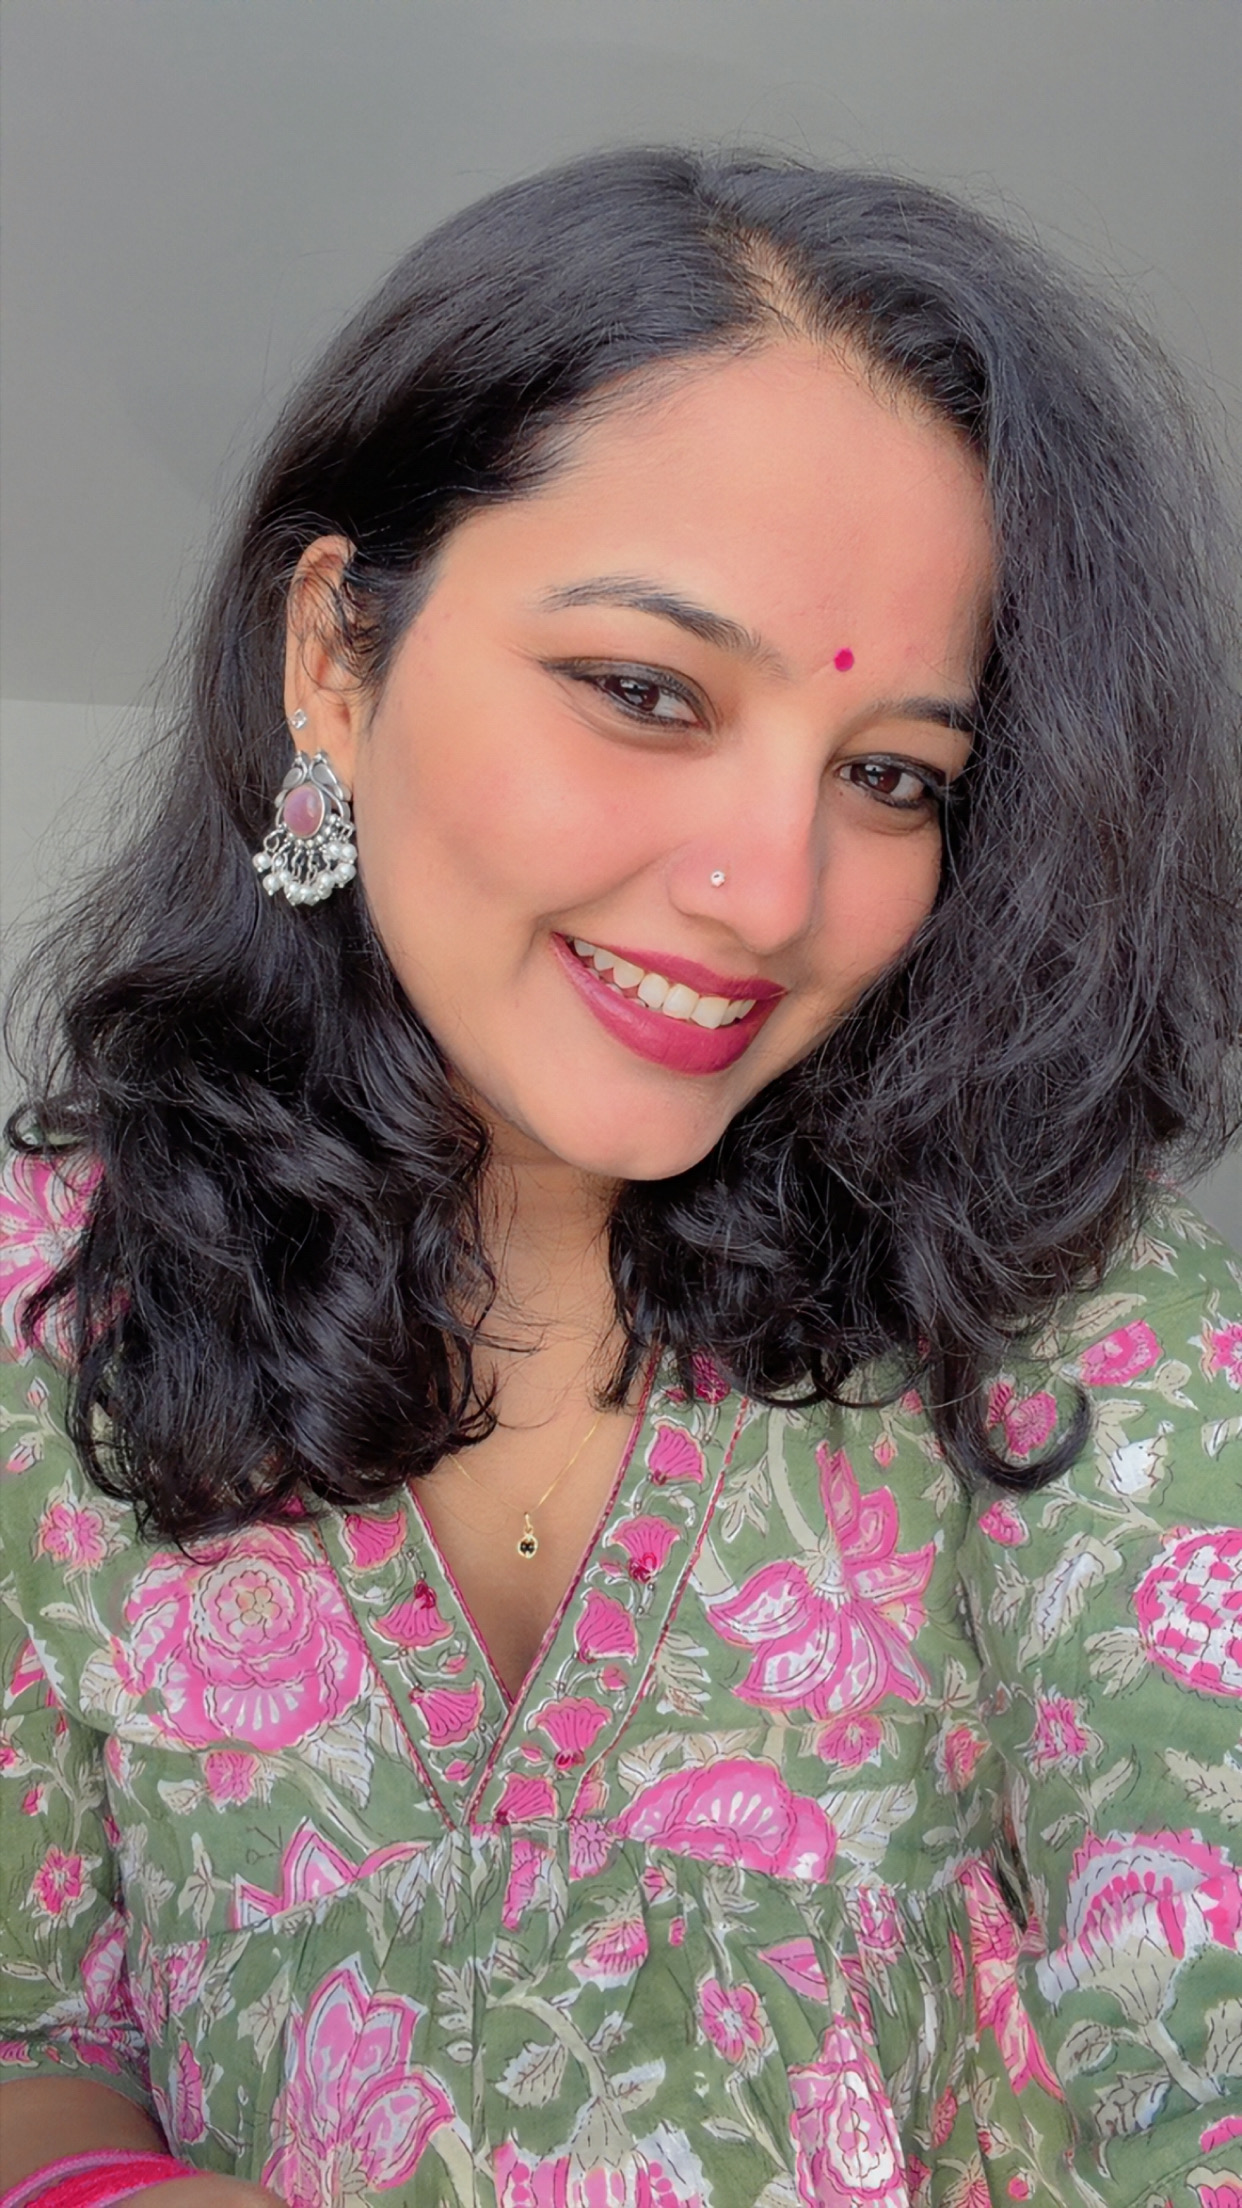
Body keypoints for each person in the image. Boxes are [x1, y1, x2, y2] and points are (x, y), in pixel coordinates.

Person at [1, 146, 1240, 2208]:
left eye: (891, 775)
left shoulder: (1072, 1316)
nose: (772, 890)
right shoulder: (51, 1307)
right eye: (647, 691)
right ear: (334, 658)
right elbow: (31, 2034)